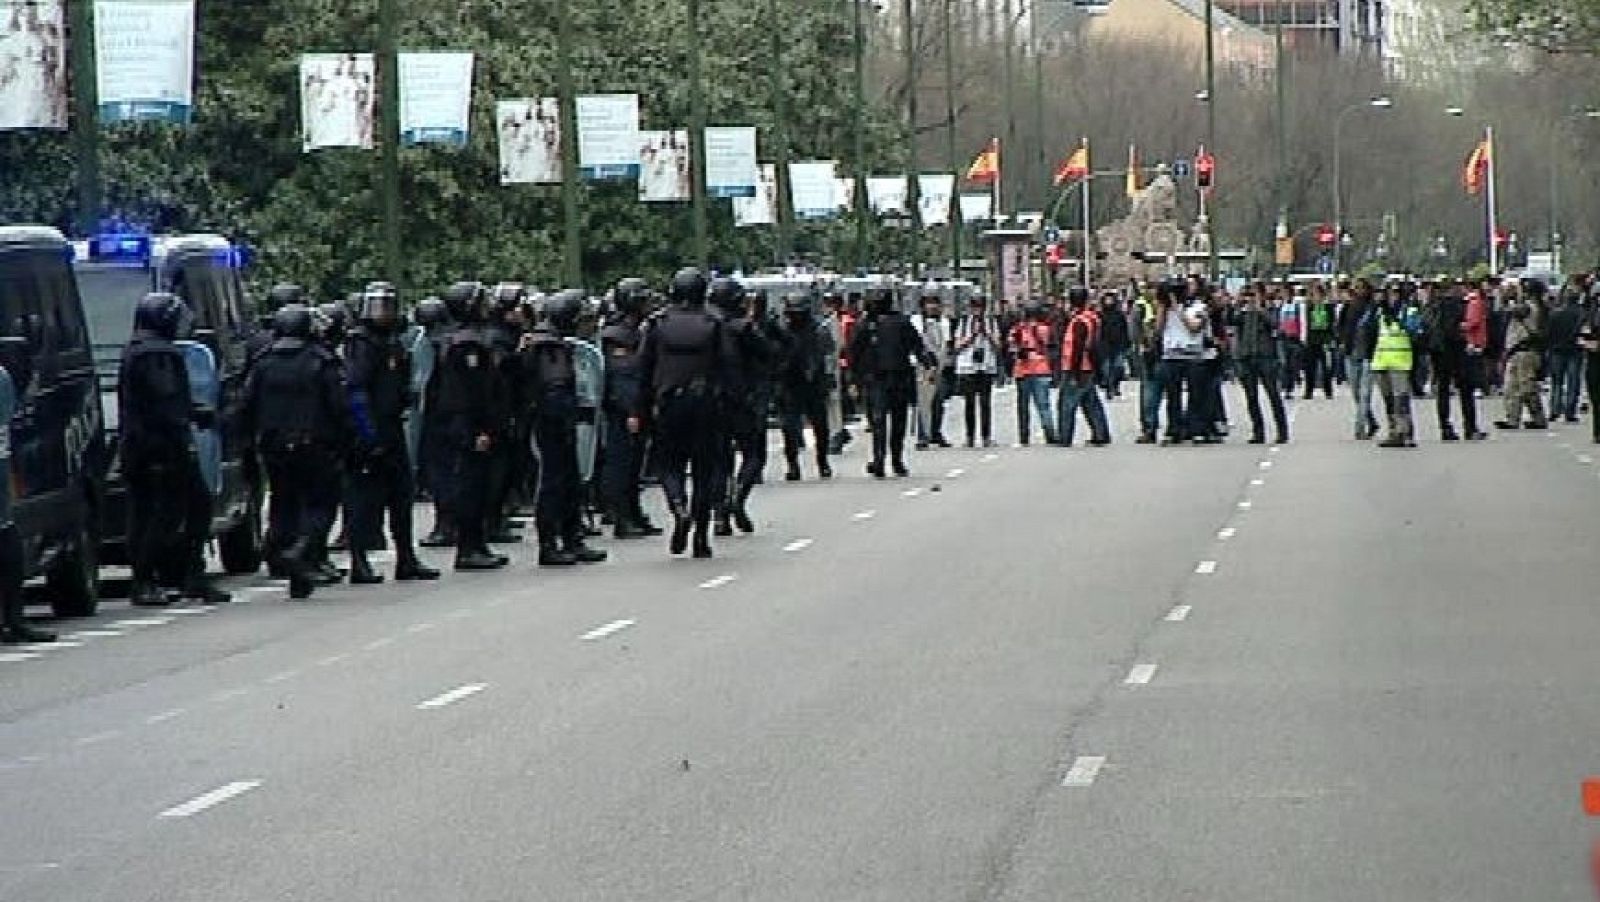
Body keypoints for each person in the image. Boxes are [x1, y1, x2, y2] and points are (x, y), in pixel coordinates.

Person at [117, 293, 229, 608]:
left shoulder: (136, 348)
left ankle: (183, 576)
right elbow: (164, 400)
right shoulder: (157, 353)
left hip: (141, 444)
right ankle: (150, 579)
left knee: (148, 513)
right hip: (161, 446)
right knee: (171, 513)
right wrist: (193, 416)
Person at [244, 304, 350, 598]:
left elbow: (246, 404)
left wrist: (249, 442)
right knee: (321, 503)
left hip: (274, 446)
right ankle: (301, 550)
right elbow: (339, 405)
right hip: (314, 444)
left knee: (284, 502)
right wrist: (347, 439)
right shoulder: (321, 360)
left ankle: (290, 563)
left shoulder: (263, 362)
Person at [343, 283, 440, 584]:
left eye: (387, 305)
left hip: (393, 425)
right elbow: (356, 390)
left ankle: (406, 558)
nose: (382, 313)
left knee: (402, 495)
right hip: (370, 432)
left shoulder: (394, 340)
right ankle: (359, 562)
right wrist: (367, 435)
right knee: (364, 500)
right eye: (376, 306)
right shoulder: (361, 342)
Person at [633, 268, 731, 559]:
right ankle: (701, 536)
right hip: (705, 404)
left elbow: (643, 369)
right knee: (705, 470)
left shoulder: (657, 324)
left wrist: (640, 409)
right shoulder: (714, 322)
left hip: (668, 403)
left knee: (668, 464)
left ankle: (678, 505)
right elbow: (728, 365)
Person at [521, 289, 607, 566]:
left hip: (559, 421)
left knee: (570, 481)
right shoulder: (548, 346)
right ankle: (550, 543)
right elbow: (554, 387)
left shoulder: (553, 342)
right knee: (554, 482)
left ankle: (572, 537)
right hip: (552, 422)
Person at [435, 282, 510, 571]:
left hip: (470, 424)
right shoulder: (467, 344)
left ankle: (476, 543)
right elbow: (469, 393)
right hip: (468, 425)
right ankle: (469, 547)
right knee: (471, 486)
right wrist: (479, 428)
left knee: (479, 485)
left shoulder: (468, 339)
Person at [708, 279, 776, 536]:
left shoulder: (705, 326)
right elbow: (768, 352)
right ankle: (737, 498)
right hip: (742, 399)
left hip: (714, 400)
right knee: (753, 455)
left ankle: (719, 515)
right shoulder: (743, 328)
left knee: (719, 460)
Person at [599, 278, 661, 539]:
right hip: (623, 410)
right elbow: (623, 377)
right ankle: (622, 517)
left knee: (636, 463)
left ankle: (634, 512)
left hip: (640, 405)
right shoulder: (616, 335)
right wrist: (631, 411)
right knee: (621, 463)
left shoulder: (638, 330)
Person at [848, 288, 931, 477]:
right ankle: (880, 460)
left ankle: (895, 459)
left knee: (896, 422)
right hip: (876, 379)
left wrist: (927, 364)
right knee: (879, 421)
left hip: (898, 378)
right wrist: (853, 380)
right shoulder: (865, 325)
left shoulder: (901, 322)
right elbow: (854, 354)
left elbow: (916, 346)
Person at [774, 292, 834, 482]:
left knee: (821, 427)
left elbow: (828, 354)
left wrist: (827, 377)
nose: (796, 317)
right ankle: (793, 464)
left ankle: (822, 461)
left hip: (814, 383)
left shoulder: (818, 330)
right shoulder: (783, 331)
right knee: (789, 428)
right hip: (790, 383)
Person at [1426, 279, 1484, 442]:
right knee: (1466, 390)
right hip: (1456, 351)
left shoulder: (1433, 305)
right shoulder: (1456, 304)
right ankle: (1470, 427)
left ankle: (1445, 426)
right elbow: (1455, 328)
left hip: (1438, 351)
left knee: (1443, 390)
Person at [1232, 284, 1290, 445]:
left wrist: (1260, 309)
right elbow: (1230, 320)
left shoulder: (1271, 309)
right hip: (1247, 357)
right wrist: (1238, 303)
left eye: (1254, 295)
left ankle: (1282, 431)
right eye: (1248, 295)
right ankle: (1258, 431)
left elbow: (1275, 325)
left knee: (1273, 395)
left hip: (1266, 357)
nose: (1250, 298)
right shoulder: (1242, 312)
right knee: (1251, 397)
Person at [1056, 288, 1111, 447]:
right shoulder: (1092, 318)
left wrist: (1073, 373)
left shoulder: (1080, 321)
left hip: (1077, 367)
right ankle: (1101, 434)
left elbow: (1077, 348)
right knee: (1091, 403)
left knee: (1066, 404)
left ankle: (1065, 436)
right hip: (1088, 366)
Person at [1371, 286, 1422, 448]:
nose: (1392, 297)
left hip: (1400, 360)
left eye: (1395, 294)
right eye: (1389, 294)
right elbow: (1368, 329)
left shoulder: (1408, 310)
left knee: (1401, 398)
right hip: (1381, 360)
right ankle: (1393, 431)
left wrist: (1400, 318)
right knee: (1389, 400)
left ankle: (1405, 432)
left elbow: (1414, 329)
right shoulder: (1379, 312)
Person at [1495, 280, 1549, 430]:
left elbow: (1511, 310)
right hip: (1517, 351)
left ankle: (1537, 418)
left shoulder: (1529, 307)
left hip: (1525, 351)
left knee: (1527, 387)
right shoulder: (1536, 307)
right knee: (1510, 387)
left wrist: (1507, 296)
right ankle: (1512, 418)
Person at [951, 295, 1000, 447]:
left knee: (985, 403)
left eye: (980, 307)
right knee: (969, 404)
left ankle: (986, 436)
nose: (977, 310)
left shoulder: (991, 322)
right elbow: (957, 346)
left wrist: (987, 333)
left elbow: (998, 345)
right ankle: (970, 436)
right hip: (967, 367)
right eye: (975, 307)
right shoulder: (964, 322)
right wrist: (972, 335)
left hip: (986, 366)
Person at [1007, 302, 1056, 445]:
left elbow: (1011, 347)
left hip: (1022, 370)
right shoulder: (1044, 329)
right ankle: (1050, 433)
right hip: (1041, 368)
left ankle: (1024, 436)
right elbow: (1050, 345)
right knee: (1043, 405)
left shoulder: (1017, 330)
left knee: (1023, 406)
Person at [909, 290, 952, 449]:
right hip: (922, 366)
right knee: (923, 402)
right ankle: (923, 434)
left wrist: (942, 364)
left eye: (934, 302)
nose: (932, 306)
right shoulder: (916, 321)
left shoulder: (944, 322)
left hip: (939, 364)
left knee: (938, 400)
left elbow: (946, 344)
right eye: (928, 303)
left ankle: (936, 431)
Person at [1545, 286, 1584, 423]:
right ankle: (1570, 411)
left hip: (1557, 350)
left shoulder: (1555, 313)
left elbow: (1548, 333)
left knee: (1557, 382)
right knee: (1573, 381)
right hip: (1574, 350)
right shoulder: (1580, 313)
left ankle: (1554, 409)